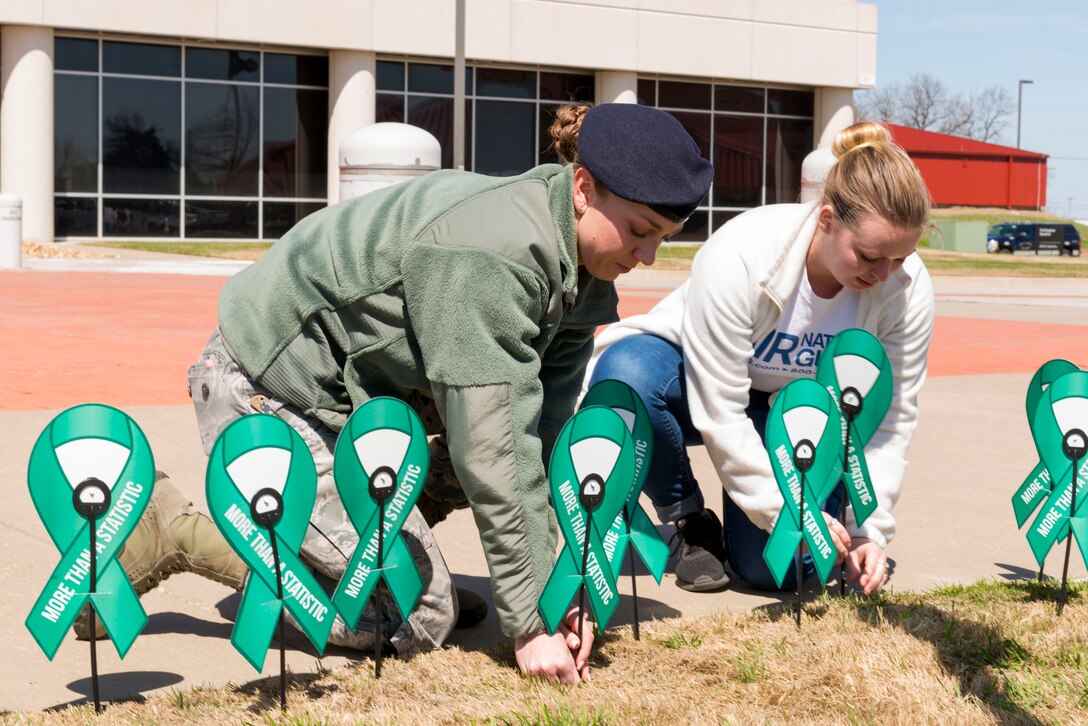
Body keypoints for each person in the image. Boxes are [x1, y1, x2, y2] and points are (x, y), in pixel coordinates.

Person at [78, 102, 713, 685]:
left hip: (357, 406)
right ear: (582, 190)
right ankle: (177, 530)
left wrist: (557, 588)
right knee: (416, 621)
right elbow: (492, 446)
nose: (650, 255)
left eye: (664, 237)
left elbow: (537, 442)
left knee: (488, 470)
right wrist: (531, 624)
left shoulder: (584, 277)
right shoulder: (494, 259)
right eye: (640, 230)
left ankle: (396, 568)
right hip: (267, 390)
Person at [587, 121, 933, 596]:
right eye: (870, 256)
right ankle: (691, 522)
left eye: (901, 257)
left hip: (798, 416)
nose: (886, 275)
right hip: (702, 389)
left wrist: (865, 527)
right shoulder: (740, 253)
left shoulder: (906, 287)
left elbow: (888, 418)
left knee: (780, 572)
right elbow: (721, 409)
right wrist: (780, 507)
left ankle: (759, 535)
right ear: (827, 219)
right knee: (625, 376)